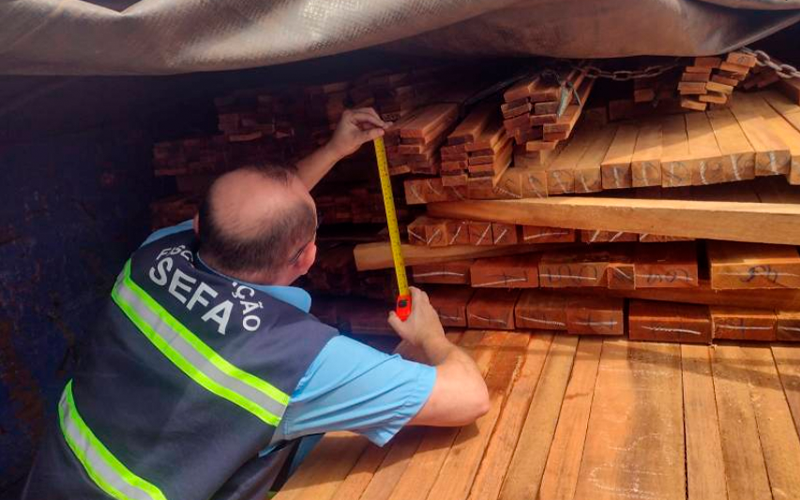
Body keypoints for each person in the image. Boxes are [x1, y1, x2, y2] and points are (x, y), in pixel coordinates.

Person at [21, 108, 489, 500]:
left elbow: (253, 215)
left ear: (198, 225)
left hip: (51, 481)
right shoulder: (295, 358)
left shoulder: (153, 252)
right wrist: (431, 338)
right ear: (307, 259)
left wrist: (334, 150)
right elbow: (470, 398)